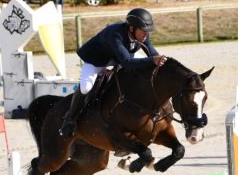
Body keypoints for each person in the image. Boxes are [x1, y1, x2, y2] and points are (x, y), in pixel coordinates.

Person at [59, 8, 167, 138]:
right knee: (86, 88)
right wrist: (152, 60)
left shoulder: (143, 34)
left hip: (118, 58)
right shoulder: (115, 34)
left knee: (144, 68)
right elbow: (127, 62)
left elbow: (152, 53)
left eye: (147, 31)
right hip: (97, 61)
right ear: (132, 28)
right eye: (143, 31)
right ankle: (70, 118)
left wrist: (162, 62)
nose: (146, 35)